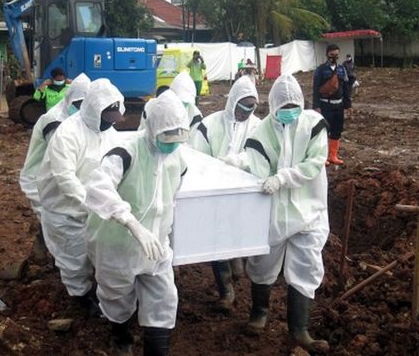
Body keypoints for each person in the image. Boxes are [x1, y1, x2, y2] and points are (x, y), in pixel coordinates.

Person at [85, 89, 189, 355]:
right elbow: (97, 188)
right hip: (118, 244)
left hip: (156, 245)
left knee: (164, 300)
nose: (173, 142)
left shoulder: (178, 159)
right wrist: (131, 222)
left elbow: (170, 200)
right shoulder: (125, 152)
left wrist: (166, 234)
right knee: (117, 299)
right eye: (167, 135)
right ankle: (121, 336)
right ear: (152, 128)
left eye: (178, 135)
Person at [243, 74, 330, 353]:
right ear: (273, 106)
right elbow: (257, 170)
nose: (290, 111)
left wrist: (283, 178)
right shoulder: (260, 134)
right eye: (285, 107)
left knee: (306, 265)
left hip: (309, 209)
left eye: (295, 105)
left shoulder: (314, 125)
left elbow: (315, 162)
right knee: (262, 263)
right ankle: (260, 312)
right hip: (274, 211)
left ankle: (300, 329)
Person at [36, 78, 125, 316]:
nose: (110, 123)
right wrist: (94, 204)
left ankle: (93, 288)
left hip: (94, 208)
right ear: (96, 111)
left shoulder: (110, 133)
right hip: (65, 209)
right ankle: (79, 296)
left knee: (94, 252)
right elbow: (66, 179)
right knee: (73, 256)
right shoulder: (67, 133)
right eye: (107, 118)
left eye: (113, 119)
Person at [192, 75, 261, 313]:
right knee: (217, 241)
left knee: (240, 234)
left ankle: (238, 260)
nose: (245, 113)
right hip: (215, 193)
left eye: (250, 109)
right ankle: (226, 291)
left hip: (245, 195)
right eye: (242, 107)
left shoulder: (258, 127)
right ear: (232, 102)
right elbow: (196, 157)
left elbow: (261, 158)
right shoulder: (210, 125)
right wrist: (213, 168)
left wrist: (239, 161)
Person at [20, 73, 91, 260]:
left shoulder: (76, 116)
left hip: (57, 180)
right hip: (43, 181)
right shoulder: (56, 122)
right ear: (69, 99)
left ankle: (50, 254)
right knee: (56, 224)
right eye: (79, 103)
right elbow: (62, 167)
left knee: (62, 226)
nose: (82, 108)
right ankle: (52, 259)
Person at [312, 44, 351, 166]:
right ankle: (323, 157)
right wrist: (316, 106)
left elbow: (345, 87)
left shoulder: (341, 69)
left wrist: (348, 104)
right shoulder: (320, 70)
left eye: (336, 55)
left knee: (337, 130)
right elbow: (316, 88)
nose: (334, 57)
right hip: (325, 106)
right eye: (331, 55)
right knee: (323, 131)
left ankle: (333, 155)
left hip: (338, 106)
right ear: (327, 54)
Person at [139, 72, 203, 142]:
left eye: (185, 103)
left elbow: (194, 142)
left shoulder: (195, 115)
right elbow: (142, 135)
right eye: (180, 101)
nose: (182, 105)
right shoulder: (151, 107)